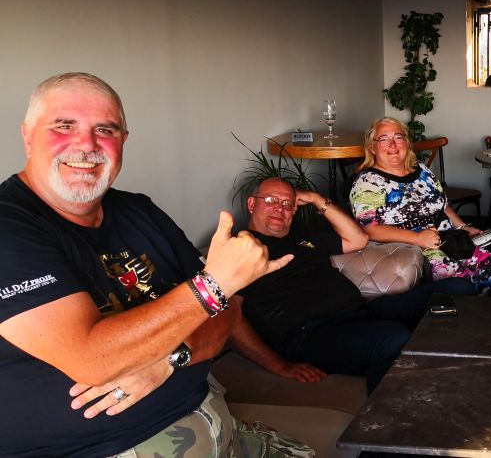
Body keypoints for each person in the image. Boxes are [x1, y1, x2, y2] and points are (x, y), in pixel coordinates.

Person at [0, 73, 295, 456]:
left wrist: (171, 359)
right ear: (27, 136)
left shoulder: (139, 211)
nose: (86, 144)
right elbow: (92, 360)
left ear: (123, 140)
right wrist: (213, 287)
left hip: (222, 428)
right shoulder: (10, 227)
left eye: (105, 129)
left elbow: (227, 313)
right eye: (64, 125)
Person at [230, 178, 474, 393]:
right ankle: (385, 424)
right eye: (271, 200)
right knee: (392, 337)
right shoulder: (237, 251)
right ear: (252, 204)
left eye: (287, 203)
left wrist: (315, 199)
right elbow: (231, 319)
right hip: (310, 335)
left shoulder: (304, 236)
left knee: (457, 290)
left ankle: (463, 371)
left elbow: (358, 239)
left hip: (360, 312)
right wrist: (279, 365)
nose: (279, 208)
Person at [351, 117, 491, 295]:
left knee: (487, 261)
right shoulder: (367, 182)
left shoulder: (421, 170)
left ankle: (487, 311)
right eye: (384, 139)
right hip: (408, 247)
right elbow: (369, 229)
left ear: (406, 143)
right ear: (372, 148)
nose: (392, 144)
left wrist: (464, 227)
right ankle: (459, 312)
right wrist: (418, 239)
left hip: (448, 238)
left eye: (398, 137)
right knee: (456, 278)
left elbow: (442, 205)